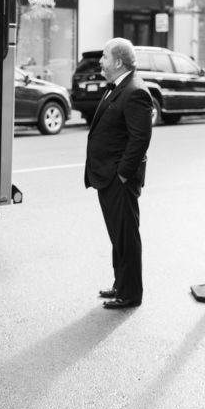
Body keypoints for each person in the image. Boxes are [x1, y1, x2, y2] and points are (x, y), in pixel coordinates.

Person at [84, 38, 153, 309]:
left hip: (118, 179)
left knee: (126, 236)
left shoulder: (135, 91)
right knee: (117, 236)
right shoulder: (119, 86)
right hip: (107, 176)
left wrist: (122, 174)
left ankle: (130, 294)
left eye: (103, 56)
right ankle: (119, 285)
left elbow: (140, 140)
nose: (100, 61)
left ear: (117, 62)